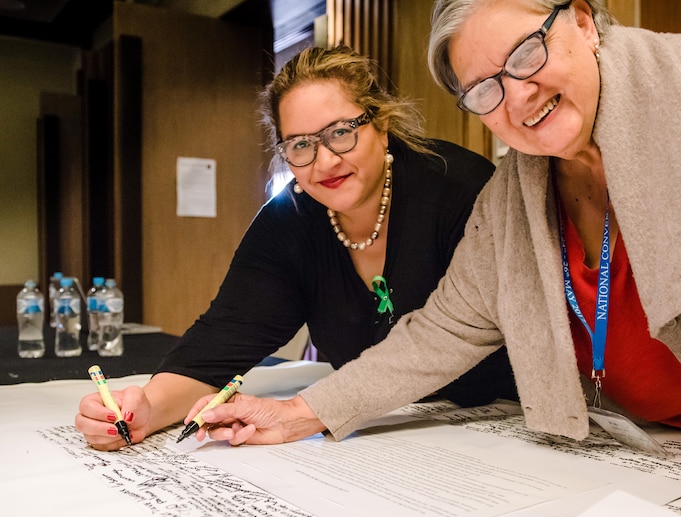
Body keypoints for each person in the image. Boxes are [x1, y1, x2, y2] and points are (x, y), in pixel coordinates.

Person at [177, 0, 681, 517]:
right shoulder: (514, 192)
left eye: (527, 52)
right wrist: (303, 411)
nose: (517, 95)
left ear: (584, 22)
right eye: (484, 89)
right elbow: (443, 329)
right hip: (680, 461)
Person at [75, 45, 518, 450]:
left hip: (502, 431)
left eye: (341, 133)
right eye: (301, 145)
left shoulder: (459, 189)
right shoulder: (288, 221)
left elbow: (459, 337)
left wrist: (300, 413)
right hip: (372, 442)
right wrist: (147, 409)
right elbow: (217, 345)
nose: (324, 161)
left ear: (381, 125)